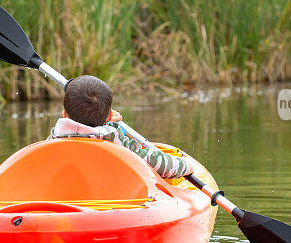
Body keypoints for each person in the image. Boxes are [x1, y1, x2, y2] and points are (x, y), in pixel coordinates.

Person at [48, 75, 193, 179]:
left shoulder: (53, 140)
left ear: (64, 115)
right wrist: (187, 166)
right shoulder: (115, 141)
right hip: (110, 203)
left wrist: (108, 123)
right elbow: (160, 165)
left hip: (65, 200)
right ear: (110, 116)